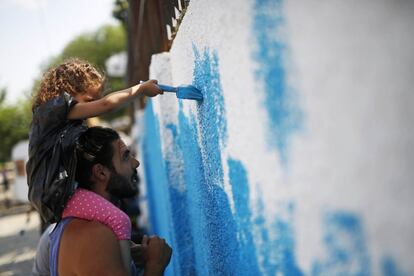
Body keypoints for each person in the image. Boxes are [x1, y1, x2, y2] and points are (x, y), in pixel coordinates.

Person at [26, 58, 163, 273]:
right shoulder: (54, 110)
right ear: (69, 89)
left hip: (58, 193)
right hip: (57, 194)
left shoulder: (60, 121)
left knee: (113, 217)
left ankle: (124, 255)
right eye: (90, 99)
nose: (93, 107)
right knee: (118, 219)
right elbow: (107, 105)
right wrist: (140, 89)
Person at [33, 126, 172, 275]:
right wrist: (155, 265)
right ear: (101, 172)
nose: (135, 163)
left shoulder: (88, 229)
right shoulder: (94, 237)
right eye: (125, 156)